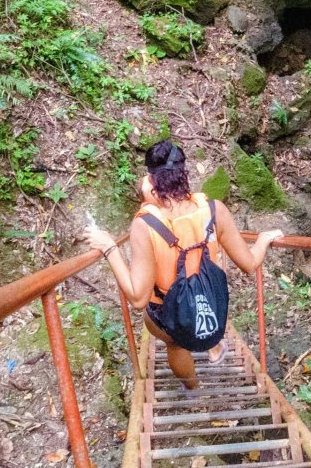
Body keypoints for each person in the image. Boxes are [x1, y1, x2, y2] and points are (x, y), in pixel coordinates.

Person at [85, 140, 283, 389]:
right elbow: (250, 263)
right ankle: (212, 343)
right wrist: (263, 239)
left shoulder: (145, 224)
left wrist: (109, 247)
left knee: (175, 342)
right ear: (184, 173)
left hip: (168, 317)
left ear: (150, 180)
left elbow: (138, 299)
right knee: (195, 306)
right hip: (211, 304)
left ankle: (193, 390)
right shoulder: (214, 210)